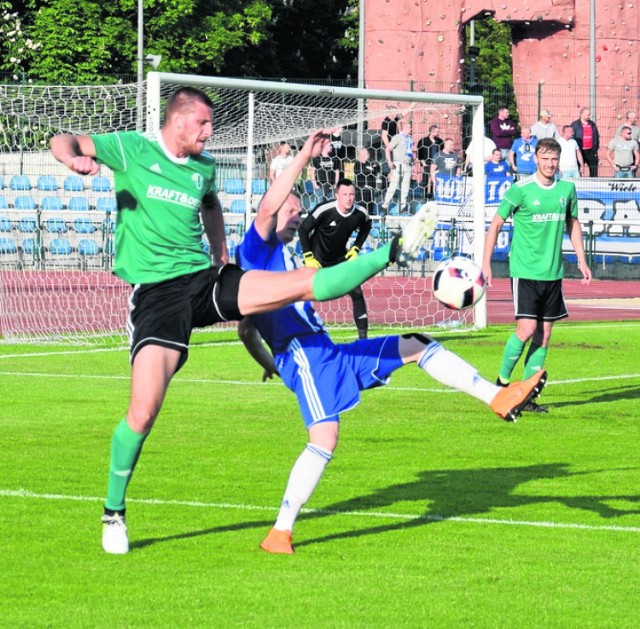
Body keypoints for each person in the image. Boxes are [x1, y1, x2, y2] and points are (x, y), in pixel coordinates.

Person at [50, 87, 437, 555]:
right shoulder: (132, 148)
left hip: (204, 281)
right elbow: (62, 138)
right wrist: (73, 161)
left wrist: (218, 253)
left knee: (298, 283)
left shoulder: (204, 168)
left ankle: (391, 251)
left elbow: (211, 205)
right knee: (144, 411)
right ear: (177, 122)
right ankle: (114, 512)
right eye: (203, 125)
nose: (210, 133)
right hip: (157, 297)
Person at [235, 168, 547, 556]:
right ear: (273, 211)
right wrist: (302, 158)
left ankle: (496, 396)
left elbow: (245, 329)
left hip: (325, 351)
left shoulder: (282, 256)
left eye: (299, 210)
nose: (299, 216)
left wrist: (266, 362)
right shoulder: (253, 251)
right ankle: (279, 533)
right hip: (304, 354)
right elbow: (266, 213)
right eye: (293, 210)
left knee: (416, 343)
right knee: (324, 438)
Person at [482, 138, 592, 414]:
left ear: (558, 160)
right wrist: (486, 263)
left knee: (544, 335)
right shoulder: (520, 190)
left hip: (553, 273)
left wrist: (581, 257)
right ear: (536, 159)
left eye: (554, 159)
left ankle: (527, 396)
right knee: (527, 329)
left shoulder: (567, 189)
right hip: (525, 271)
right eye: (545, 158)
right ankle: (501, 385)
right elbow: (495, 225)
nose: (550, 163)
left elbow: (573, 223)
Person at [298, 179, 372, 339]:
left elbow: (367, 226)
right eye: (344, 194)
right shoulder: (324, 210)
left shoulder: (360, 213)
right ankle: (296, 332)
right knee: (301, 295)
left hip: (340, 259)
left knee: (357, 292)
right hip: (316, 260)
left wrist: (356, 248)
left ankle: (363, 339)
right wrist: (308, 256)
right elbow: (303, 229)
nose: (348, 198)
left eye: (352, 194)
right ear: (336, 195)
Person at [381, 119, 414, 214]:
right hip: (398, 164)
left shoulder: (409, 138)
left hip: (407, 165)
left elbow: (409, 153)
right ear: (404, 128)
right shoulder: (397, 137)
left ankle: (402, 207)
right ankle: (385, 206)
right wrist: (389, 162)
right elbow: (388, 149)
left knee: (405, 187)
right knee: (394, 185)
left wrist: (413, 163)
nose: (410, 128)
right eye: (408, 127)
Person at [571, 108, 600, 177]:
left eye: (590, 115)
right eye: (588, 115)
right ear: (582, 114)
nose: (589, 116)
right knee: (578, 170)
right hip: (580, 151)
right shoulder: (575, 125)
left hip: (591, 151)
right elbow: (572, 137)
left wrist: (595, 148)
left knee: (594, 171)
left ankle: (594, 185)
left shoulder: (592, 124)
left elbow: (596, 136)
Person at [416, 124, 443, 198]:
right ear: (431, 132)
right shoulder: (423, 141)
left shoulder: (440, 142)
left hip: (436, 164)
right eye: (437, 132)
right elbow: (419, 153)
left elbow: (442, 153)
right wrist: (423, 163)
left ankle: (432, 195)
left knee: (434, 180)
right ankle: (424, 196)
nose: (438, 133)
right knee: (425, 180)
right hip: (427, 163)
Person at [353, 147, 381, 214]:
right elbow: (362, 171)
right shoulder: (357, 164)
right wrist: (371, 169)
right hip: (361, 190)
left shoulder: (371, 163)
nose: (367, 155)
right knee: (362, 209)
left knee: (370, 209)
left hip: (370, 190)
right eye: (365, 153)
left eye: (367, 153)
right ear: (360, 155)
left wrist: (371, 168)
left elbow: (377, 169)